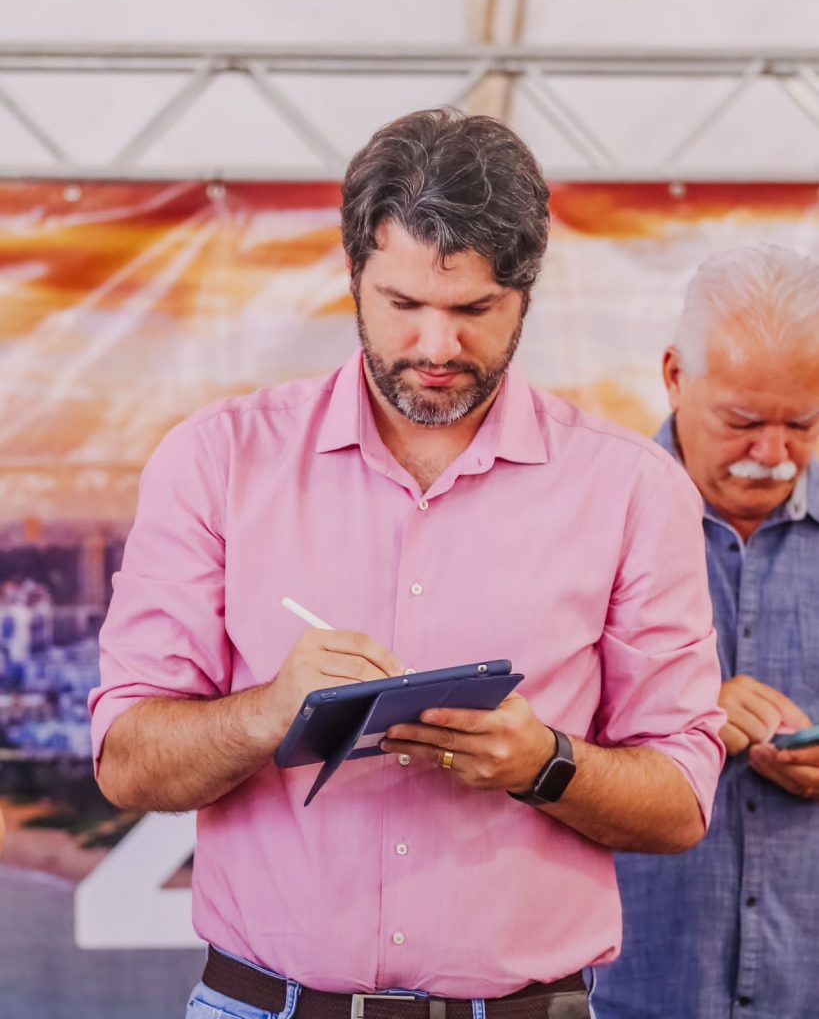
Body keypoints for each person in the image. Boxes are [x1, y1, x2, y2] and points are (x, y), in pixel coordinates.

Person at [90, 108, 725, 1019]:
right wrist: (272, 711)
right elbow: (126, 765)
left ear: (526, 294)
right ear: (353, 278)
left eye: (474, 310)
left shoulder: (631, 488)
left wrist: (543, 764)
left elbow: (680, 798)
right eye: (403, 306)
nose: (436, 348)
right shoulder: (217, 462)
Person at [592, 245, 819, 1019]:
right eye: (743, 421)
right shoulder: (586, 524)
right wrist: (687, 723)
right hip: (631, 986)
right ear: (673, 377)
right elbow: (523, 743)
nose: (772, 455)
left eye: (802, 423)